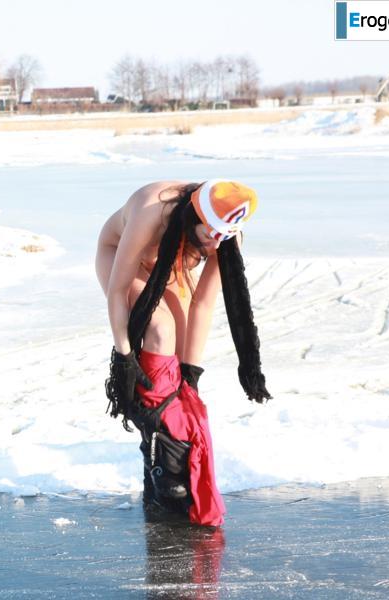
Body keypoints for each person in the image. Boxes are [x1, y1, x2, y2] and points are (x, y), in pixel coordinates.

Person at [95, 179, 271, 527]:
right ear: (194, 215)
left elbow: (203, 304)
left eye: (223, 236)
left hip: (170, 265)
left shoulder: (226, 233)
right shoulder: (152, 210)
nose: (216, 242)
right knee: (161, 328)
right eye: (210, 234)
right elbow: (117, 291)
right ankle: (157, 431)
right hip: (120, 258)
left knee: (177, 364)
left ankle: (162, 453)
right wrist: (124, 359)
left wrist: (190, 372)